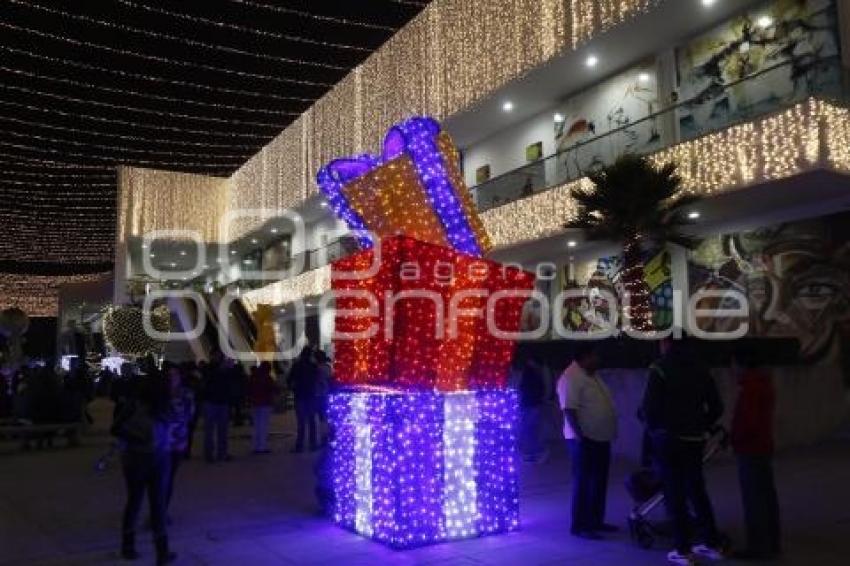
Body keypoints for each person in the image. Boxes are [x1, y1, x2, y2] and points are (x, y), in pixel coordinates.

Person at [643, 337, 726, 565]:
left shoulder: (659, 368)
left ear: (667, 343)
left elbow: (649, 408)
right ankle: (712, 544)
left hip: (669, 440)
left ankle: (683, 549)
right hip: (694, 440)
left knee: (675, 495)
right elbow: (717, 406)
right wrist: (701, 424)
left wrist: (655, 431)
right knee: (698, 491)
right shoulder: (702, 368)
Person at [111, 375, 176, 565]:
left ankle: (128, 546)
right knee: (157, 505)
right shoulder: (163, 406)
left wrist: (136, 438)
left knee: (135, 502)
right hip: (156, 459)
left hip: (135, 459)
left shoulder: (135, 404)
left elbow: (116, 428)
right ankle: (161, 552)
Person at [556, 343, 618, 539]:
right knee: (584, 483)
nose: (598, 360)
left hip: (600, 438)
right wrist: (581, 437)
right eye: (595, 356)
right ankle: (581, 525)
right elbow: (569, 409)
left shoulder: (591, 374)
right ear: (585, 357)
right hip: (584, 440)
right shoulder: (571, 377)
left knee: (599, 481)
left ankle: (596, 521)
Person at [730, 347, 781, 561]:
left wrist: (735, 439)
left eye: (733, 364)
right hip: (762, 446)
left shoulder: (750, 388)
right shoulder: (762, 383)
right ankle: (772, 542)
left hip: (750, 448)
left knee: (754, 499)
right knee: (766, 497)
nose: (731, 369)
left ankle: (758, 546)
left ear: (741, 364)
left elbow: (748, 422)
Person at [163, 362, 194, 514]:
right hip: (162, 441)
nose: (172, 378)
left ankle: (163, 509)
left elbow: (190, 414)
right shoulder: (160, 394)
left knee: (169, 476)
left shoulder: (186, 393)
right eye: (169, 375)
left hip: (178, 441)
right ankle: (160, 510)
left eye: (175, 375)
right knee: (163, 477)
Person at [202, 350, 232, 463]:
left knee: (222, 430)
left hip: (221, 402)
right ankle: (210, 454)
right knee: (210, 430)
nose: (218, 358)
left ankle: (221, 453)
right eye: (216, 355)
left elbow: (229, 383)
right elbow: (208, 379)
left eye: (219, 356)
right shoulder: (208, 368)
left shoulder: (224, 369)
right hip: (212, 401)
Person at [288, 346, 318, 453]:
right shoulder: (313, 366)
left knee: (301, 423)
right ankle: (313, 444)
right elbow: (317, 379)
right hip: (310, 395)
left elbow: (290, 380)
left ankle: (299, 445)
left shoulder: (296, 366)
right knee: (311, 421)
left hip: (300, 395)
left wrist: (293, 388)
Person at [519, 356, 547, 463]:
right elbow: (536, 388)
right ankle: (531, 454)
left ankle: (530, 454)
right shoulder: (532, 373)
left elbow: (524, 388)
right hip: (531, 405)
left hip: (529, 405)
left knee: (530, 430)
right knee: (532, 430)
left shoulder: (529, 373)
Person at [247, 362, 279, 454]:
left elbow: (248, 389)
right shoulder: (267, 378)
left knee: (256, 425)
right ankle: (262, 446)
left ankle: (255, 446)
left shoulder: (253, 377)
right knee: (263, 425)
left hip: (255, 403)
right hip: (265, 403)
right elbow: (274, 389)